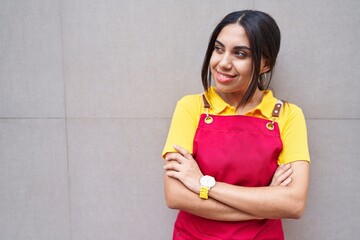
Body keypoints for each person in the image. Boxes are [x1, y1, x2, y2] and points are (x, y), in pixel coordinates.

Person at [162, 10, 310, 240]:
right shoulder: (190, 107)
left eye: (240, 54)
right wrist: (266, 200)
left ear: (265, 63)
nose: (223, 63)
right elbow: (176, 196)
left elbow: (294, 204)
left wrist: (204, 184)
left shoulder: (288, 115)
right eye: (218, 49)